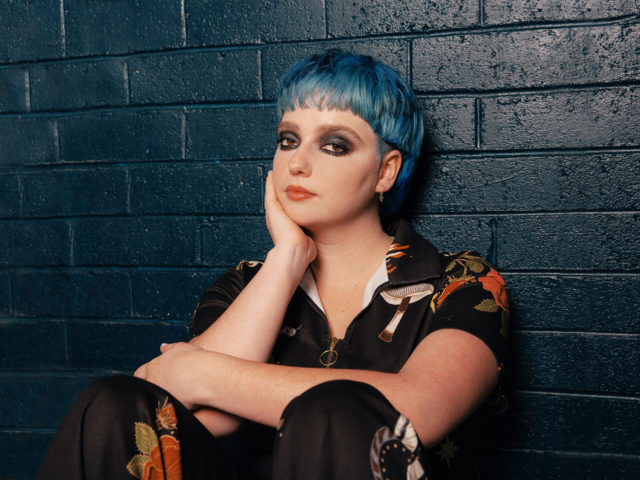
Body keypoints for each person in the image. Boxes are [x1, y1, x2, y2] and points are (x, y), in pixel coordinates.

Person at [37, 49, 509, 480]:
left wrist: (203, 373)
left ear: (385, 171)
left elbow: (418, 408)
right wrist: (285, 259)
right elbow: (179, 414)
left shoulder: (461, 281)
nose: (297, 164)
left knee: (333, 408)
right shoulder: (245, 284)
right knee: (112, 401)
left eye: (334, 144)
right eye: (288, 140)